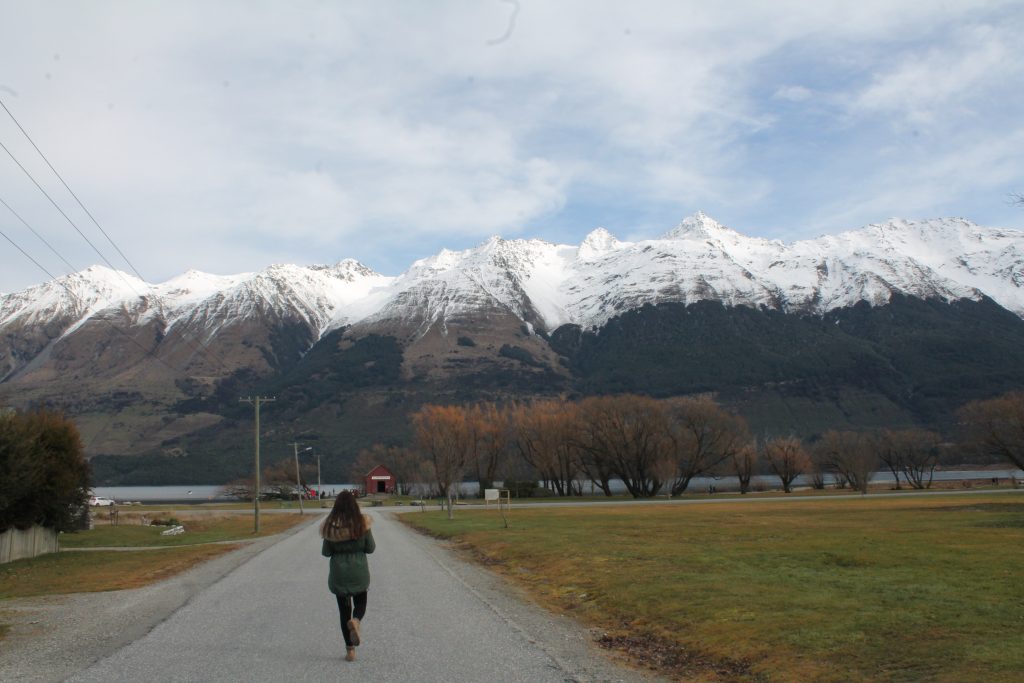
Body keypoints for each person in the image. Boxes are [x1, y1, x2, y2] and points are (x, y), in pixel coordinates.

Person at [320, 490, 376, 662]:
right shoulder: (362, 524)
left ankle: (350, 651)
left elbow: (326, 552)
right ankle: (357, 621)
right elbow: (370, 548)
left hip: (339, 574)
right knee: (361, 602)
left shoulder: (330, 527)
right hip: (358, 571)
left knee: (344, 612)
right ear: (354, 505)